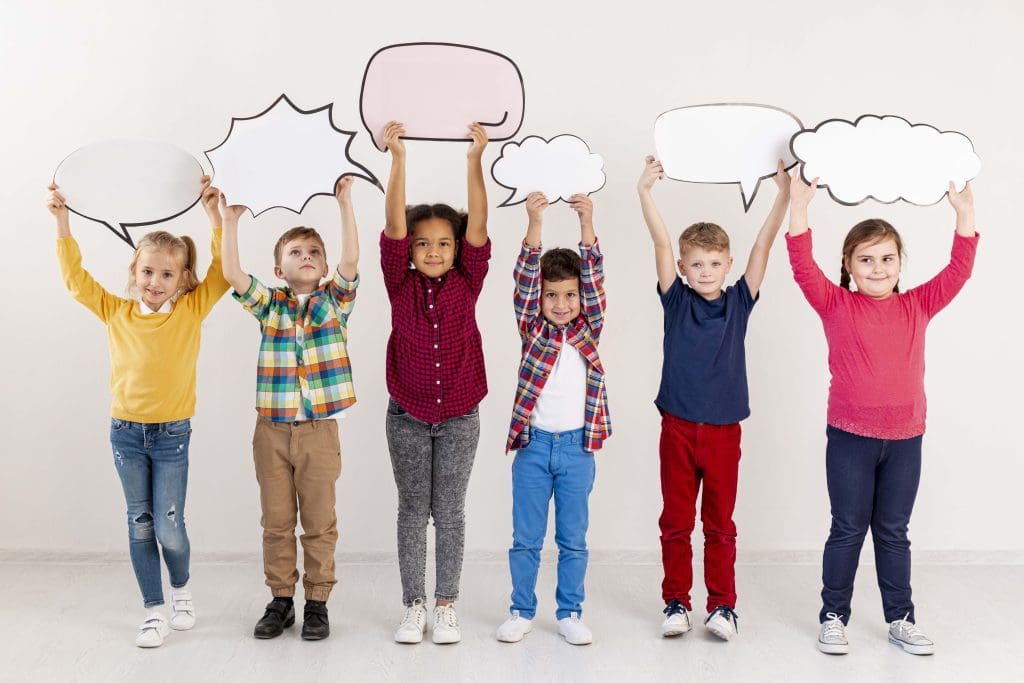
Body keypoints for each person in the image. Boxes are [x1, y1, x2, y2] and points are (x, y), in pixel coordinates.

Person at [787, 173, 979, 656]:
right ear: (848, 266)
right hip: (850, 437)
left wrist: (963, 214)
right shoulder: (835, 303)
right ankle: (833, 615)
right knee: (848, 528)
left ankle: (900, 618)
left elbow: (958, 270)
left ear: (900, 264)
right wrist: (800, 207)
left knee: (893, 532)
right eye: (866, 259)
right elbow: (801, 264)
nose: (878, 268)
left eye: (887, 258)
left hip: (906, 439)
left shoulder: (918, 304)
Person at [48, 177, 229, 647]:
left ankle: (181, 588)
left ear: (182, 279)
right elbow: (75, 280)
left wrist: (214, 218)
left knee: (170, 525)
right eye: (147, 272)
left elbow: (224, 273)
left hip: (171, 436)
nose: (155, 282)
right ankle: (153, 608)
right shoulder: (115, 311)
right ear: (135, 270)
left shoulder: (190, 310)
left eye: (167, 275)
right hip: (126, 434)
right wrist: (63, 222)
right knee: (140, 522)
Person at [637, 156, 790, 640]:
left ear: (728, 264)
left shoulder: (740, 301)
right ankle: (676, 602)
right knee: (676, 521)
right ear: (683, 267)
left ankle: (723, 606)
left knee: (720, 523)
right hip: (678, 427)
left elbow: (764, 244)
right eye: (696, 264)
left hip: (724, 431)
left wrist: (784, 195)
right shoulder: (675, 299)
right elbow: (660, 240)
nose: (706, 271)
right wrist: (646, 192)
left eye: (715, 263)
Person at [219, 177, 360, 641]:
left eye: (314, 252)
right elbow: (234, 275)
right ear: (279, 269)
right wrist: (229, 222)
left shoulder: (334, 303)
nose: (307, 257)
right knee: (277, 520)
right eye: (296, 252)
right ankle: (281, 599)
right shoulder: (271, 307)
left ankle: (317, 601)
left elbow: (352, 261)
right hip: (272, 431)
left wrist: (344, 204)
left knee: (319, 522)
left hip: (319, 431)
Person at [380, 120, 490, 644]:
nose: (433, 250)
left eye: (443, 243)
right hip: (407, 414)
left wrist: (474, 159)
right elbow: (394, 228)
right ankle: (413, 605)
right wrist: (398, 159)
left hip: (460, 415)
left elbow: (478, 228)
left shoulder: (468, 279)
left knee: (449, 512)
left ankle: (446, 604)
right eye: (423, 243)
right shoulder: (398, 281)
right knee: (411, 511)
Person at [496, 192, 610, 646]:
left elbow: (595, 277)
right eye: (551, 296)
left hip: (578, 447)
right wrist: (535, 222)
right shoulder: (533, 328)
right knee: (526, 537)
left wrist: (587, 224)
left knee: (573, 539)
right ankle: (522, 609)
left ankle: (570, 611)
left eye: (569, 296)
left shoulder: (588, 327)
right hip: (534, 446)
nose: (561, 304)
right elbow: (525, 276)